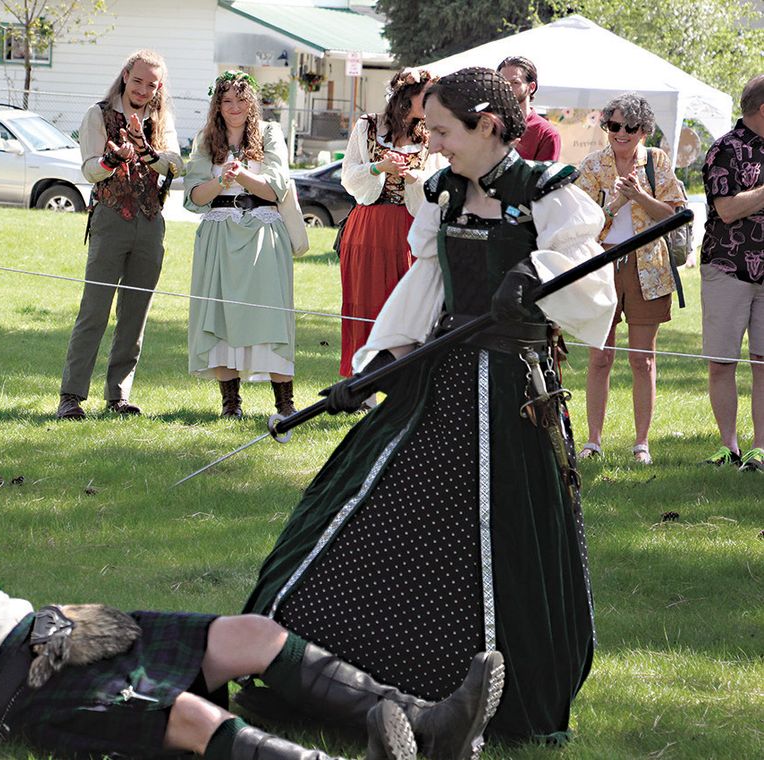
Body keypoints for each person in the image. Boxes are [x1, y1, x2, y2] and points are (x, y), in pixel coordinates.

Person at [244, 67, 617, 745]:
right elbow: (426, 282)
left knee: (491, 540)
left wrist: (535, 275)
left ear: (490, 128)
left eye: (443, 130)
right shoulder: (442, 192)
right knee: (358, 516)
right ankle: (329, 680)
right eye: (428, 129)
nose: (433, 144)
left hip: (512, 396)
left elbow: (595, 290)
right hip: (436, 384)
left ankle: (482, 700)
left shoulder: (547, 193)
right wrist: (380, 363)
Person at [0, 431, 506, 760]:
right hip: (12, 696)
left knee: (248, 633)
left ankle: (429, 725)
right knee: (185, 715)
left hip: (63, 630)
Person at [56, 50, 182, 420]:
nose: (143, 89)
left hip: (150, 219)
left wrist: (148, 153)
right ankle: (71, 396)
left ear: (159, 88)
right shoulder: (98, 114)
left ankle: (119, 395)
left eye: (151, 84)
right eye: (138, 80)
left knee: (135, 314)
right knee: (94, 310)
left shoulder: (162, 118)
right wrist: (112, 160)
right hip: (110, 218)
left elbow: (177, 164)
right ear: (126, 74)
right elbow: (89, 169)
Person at [574, 93, 685, 465]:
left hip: (647, 267)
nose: (620, 134)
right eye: (613, 126)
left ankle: (641, 444)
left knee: (643, 360)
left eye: (629, 127)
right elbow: (580, 226)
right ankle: (593, 441)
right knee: (600, 357)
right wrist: (615, 206)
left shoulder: (657, 162)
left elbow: (674, 214)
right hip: (601, 263)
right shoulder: (592, 165)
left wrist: (639, 196)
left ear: (643, 131)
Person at [185, 71, 297, 418]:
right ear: (217, 106)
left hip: (262, 231)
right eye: (226, 100)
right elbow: (194, 197)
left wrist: (243, 175)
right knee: (220, 313)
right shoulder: (206, 139)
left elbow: (275, 188)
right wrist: (222, 180)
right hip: (219, 232)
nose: (234, 107)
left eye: (240, 99)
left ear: (252, 102)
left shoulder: (269, 134)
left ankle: (285, 404)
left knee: (270, 313)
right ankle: (230, 405)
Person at [338, 67, 445, 389]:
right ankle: (361, 386)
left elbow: (441, 183)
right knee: (363, 302)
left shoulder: (432, 132)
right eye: (426, 97)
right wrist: (378, 167)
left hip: (410, 229)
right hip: (368, 226)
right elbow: (349, 175)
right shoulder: (368, 126)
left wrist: (413, 177)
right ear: (405, 97)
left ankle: (405, 384)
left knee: (406, 307)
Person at [699, 74, 764, 471]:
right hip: (728, 268)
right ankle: (729, 446)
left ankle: (760, 450)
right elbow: (726, 209)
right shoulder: (726, 149)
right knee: (723, 362)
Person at [497, 56, 560, 161]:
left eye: (515, 82)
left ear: (531, 87)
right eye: (502, 82)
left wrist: (507, 156)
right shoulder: (487, 124)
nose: (506, 88)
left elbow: (542, 177)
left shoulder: (546, 133)